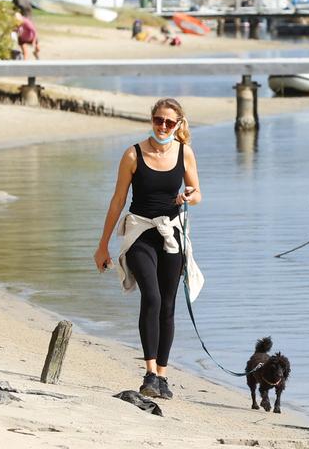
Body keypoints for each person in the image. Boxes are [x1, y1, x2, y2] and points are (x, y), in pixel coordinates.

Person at [94, 98, 201, 401]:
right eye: (158, 120)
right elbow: (117, 200)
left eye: (169, 122)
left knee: (168, 305)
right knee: (151, 297)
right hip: (140, 231)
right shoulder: (133, 154)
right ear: (152, 120)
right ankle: (149, 373)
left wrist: (189, 196)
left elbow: (198, 192)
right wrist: (103, 245)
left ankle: (163, 377)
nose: (163, 126)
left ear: (179, 124)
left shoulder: (185, 153)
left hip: (171, 235)